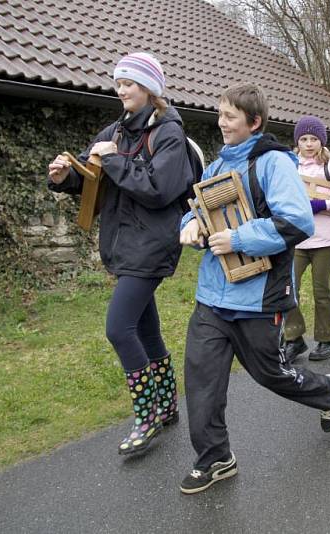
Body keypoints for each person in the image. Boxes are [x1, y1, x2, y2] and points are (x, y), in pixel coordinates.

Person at [178, 83, 330, 495]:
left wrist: (237, 239)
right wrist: (191, 227)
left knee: (270, 374)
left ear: (254, 122)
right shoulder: (215, 168)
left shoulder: (273, 163)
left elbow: (297, 223)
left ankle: (328, 390)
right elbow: (196, 211)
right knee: (201, 381)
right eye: (219, 114)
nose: (221, 122)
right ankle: (215, 457)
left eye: (230, 116)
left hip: (259, 298)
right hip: (212, 298)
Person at [47, 53, 195, 455]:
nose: (121, 89)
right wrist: (65, 178)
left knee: (118, 328)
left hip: (152, 243)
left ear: (149, 88)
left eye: (129, 82)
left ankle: (146, 417)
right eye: (118, 82)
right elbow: (94, 178)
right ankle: (167, 406)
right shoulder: (113, 130)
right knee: (145, 329)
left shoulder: (168, 134)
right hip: (122, 242)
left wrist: (112, 158)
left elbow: (158, 188)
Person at [283, 116, 330, 362]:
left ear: (321, 141)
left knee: (321, 290)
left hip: (326, 240)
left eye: (313, 139)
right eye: (304, 139)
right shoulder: (290, 166)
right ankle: (293, 339)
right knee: (287, 288)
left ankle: (329, 340)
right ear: (297, 142)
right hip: (297, 239)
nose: (308, 144)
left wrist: (323, 204)